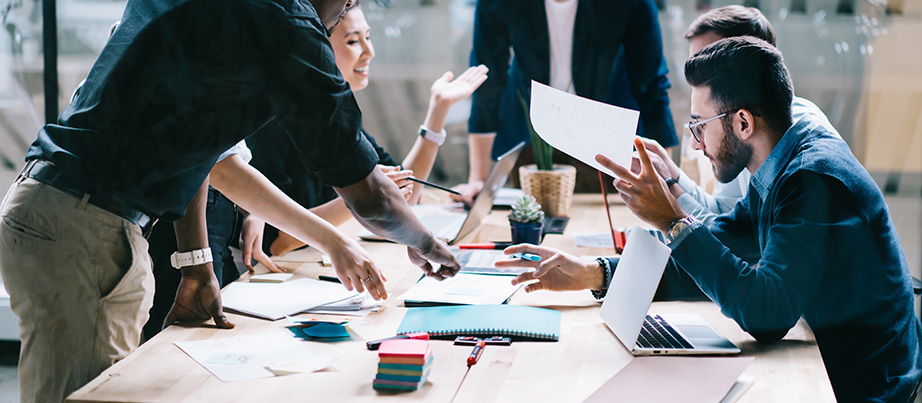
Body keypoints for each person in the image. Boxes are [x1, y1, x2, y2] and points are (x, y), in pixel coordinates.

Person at [0, 0, 460, 401]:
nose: (341, 12)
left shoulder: (228, 15)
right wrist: (426, 242)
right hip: (86, 224)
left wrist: (198, 265)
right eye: (347, 7)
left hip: (61, 210)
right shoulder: (285, 20)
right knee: (86, 398)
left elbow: (200, 148)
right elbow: (370, 195)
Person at [504, 36, 922, 402]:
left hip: (864, 387)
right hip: (831, 359)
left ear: (743, 123)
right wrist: (597, 273)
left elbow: (767, 314)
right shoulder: (781, 163)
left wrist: (673, 221)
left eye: (699, 125)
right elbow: (727, 240)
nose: (696, 142)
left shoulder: (812, 177)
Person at [246, 5, 488, 257]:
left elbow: (402, 196)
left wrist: (438, 109)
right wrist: (361, 198)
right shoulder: (272, 125)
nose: (369, 52)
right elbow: (275, 242)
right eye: (353, 41)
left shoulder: (337, 118)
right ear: (314, 46)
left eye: (368, 38)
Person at [453, 0, 679, 203]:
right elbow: (488, 83)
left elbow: (650, 85)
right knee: (532, 224)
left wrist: (665, 180)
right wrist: (478, 178)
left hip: (605, 136)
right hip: (531, 135)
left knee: (609, 220)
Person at [638, 5, 839, 226]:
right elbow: (726, 218)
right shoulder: (742, 139)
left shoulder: (786, 148)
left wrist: (669, 206)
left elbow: (738, 247)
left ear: (745, 58)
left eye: (708, 61)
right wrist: (671, 174)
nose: (696, 78)